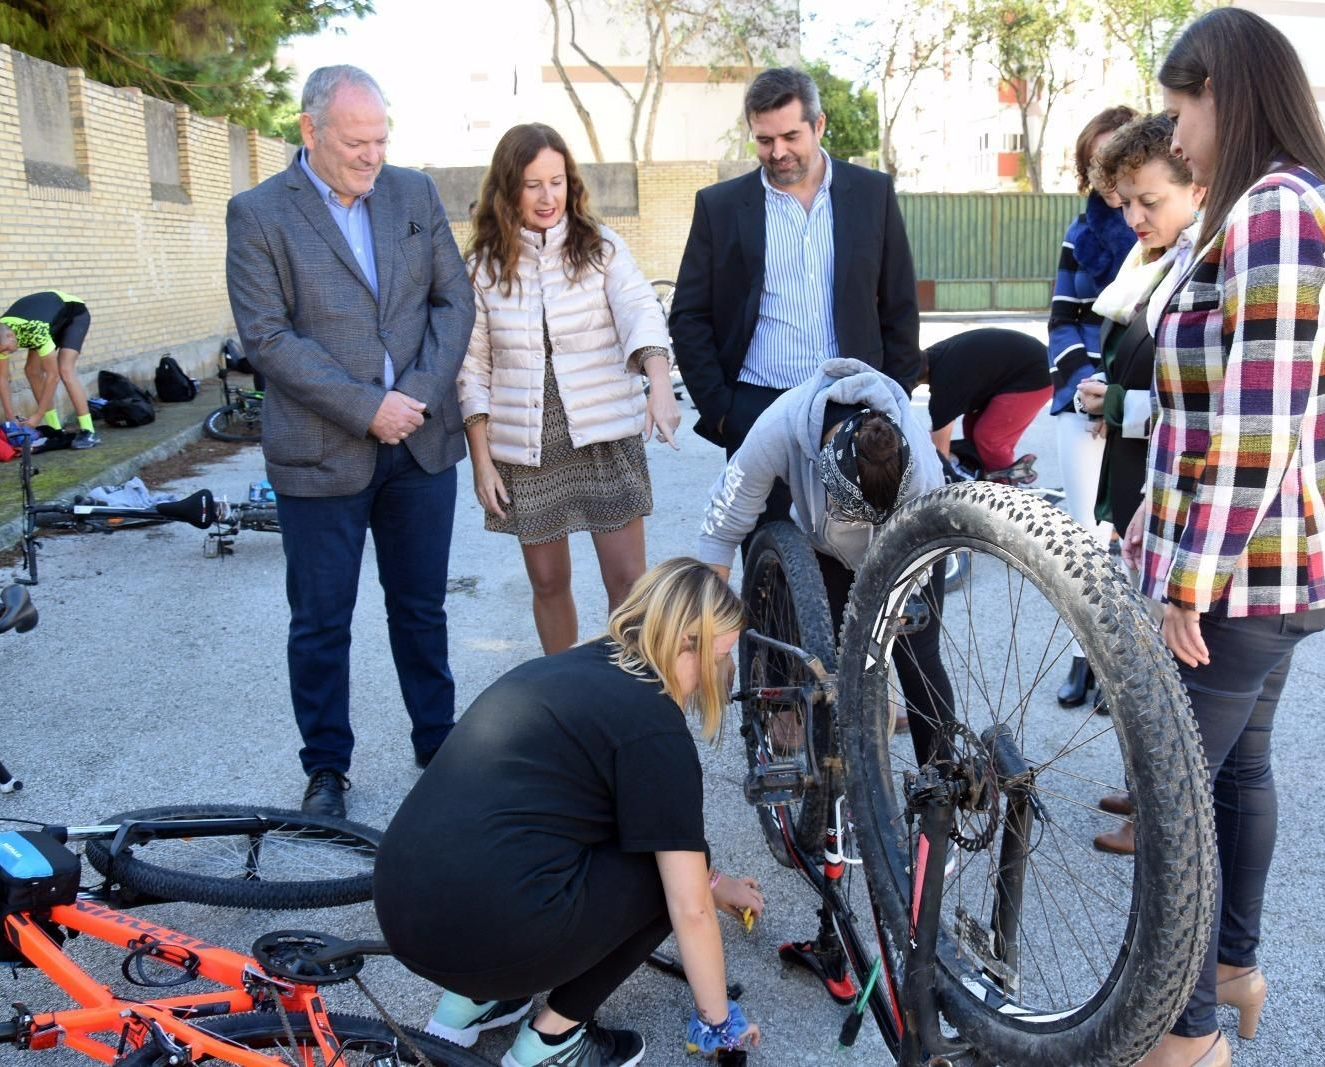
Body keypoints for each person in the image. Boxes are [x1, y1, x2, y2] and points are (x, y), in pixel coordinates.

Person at [1124, 10, 1325, 1065]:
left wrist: (1189, 579)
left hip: (1243, 578)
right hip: (1278, 567)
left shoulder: (1271, 210)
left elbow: (1255, 425)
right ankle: (1229, 971)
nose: (1175, 137)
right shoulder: (1297, 204)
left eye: (1181, 109)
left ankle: (1189, 1035)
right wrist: (1151, 517)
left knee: (1173, 815)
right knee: (1232, 778)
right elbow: (1218, 413)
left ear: (1223, 90)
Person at [373, 558, 764, 1067]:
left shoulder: (573, 667)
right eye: (722, 655)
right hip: (481, 936)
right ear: (686, 643)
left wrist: (719, 884)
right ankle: (551, 1041)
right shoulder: (656, 731)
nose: (724, 673)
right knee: (663, 878)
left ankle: (467, 1006)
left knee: (571, 840)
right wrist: (720, 1023)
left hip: (404, 908)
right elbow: (688, 905)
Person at [224, 65, 474, 819]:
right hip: (321, 451)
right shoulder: (259, 213)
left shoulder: (414, 192)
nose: (373, 155)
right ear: (310, 131)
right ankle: (327, 768)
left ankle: (439, 742)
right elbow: (268, 338)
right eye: (356, 142)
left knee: (420, 607)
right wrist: (369, 408)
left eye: (381, 139)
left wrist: (418, 396)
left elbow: (453, 300)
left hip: (421, 446)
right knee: (322, 619)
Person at [458, 123, 677, 655]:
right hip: (527, 445)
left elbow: (639, 310)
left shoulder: (600, 247)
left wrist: (658, 380)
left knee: (628, 583)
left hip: (603, 434)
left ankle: (629, 692)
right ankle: (564, 695)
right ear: (508, 188)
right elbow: (472, 367)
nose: (548, 196)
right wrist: (482, 460)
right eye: (533, 184)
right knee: (549, 583)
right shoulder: (484, 268)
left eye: (557, 181)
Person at [670, 65, 920, 530]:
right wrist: (723, 411)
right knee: (770, 559)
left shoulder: (872, 194)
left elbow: (900, 305)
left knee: (859, 553)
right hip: (755, 409)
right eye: (764, 140)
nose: (778, 152)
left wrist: (895, 395)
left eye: (790, 136)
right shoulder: (720, 207)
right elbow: (688, 316)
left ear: (819, 125)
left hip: (852, 405)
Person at [696, 357, 950, 766]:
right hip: (826, 550)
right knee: (831, 665)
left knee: (918, 660)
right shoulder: (779, 427)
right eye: (854, 513)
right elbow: (723, 527)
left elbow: (930, 543)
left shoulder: (917, 460)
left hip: (905, 550)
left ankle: (942, 788)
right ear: (824, 472)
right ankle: (836, 778)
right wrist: (712, 636)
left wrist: (885, 629)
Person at [1072, 113, 1202, 857]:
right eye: (1123, 201)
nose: (1132, 217)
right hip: (1135, 489)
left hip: (1164, 492)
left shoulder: (1194, 265)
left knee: (1163, 672)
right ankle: (1142, 787)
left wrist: (1114, 402)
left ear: (1193, 182)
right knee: (1143, 659)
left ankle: (1152, 816)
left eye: (1145, 199)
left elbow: (1195, 402)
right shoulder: (1154, 260)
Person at [1047, 105, 1138, 708]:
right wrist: (1085, 387)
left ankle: (1128, 662)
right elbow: (1062, 321)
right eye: (1096, 162)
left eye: (1117, 158)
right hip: (1084, 399)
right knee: (1084, 540)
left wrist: (1121, 401)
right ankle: (1086, 657)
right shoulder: (1079, 236)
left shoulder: (1169, 225)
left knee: (1134, 537)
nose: (1108, 175)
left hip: (1141, 401)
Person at [918, 327, 1051, 483]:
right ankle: (985, 481)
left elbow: (940, 457)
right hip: (1011, 369)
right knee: (970, 428)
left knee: (989, 438)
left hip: (1037, 373)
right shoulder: (933, 357)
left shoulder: (945, 386)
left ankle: (1005, 494)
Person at [0, 291, 100, 449]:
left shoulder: (34, 331)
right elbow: (2, 378)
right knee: (32, 371)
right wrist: (10, 417)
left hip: (72, 315)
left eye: (6, 350)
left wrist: (38, 415)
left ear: (10, 336)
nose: (5, 354)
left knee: (64, 369)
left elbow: (53, 376)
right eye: (2, 352)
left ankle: (88, 431)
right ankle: (55, 428)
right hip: (48, 320)